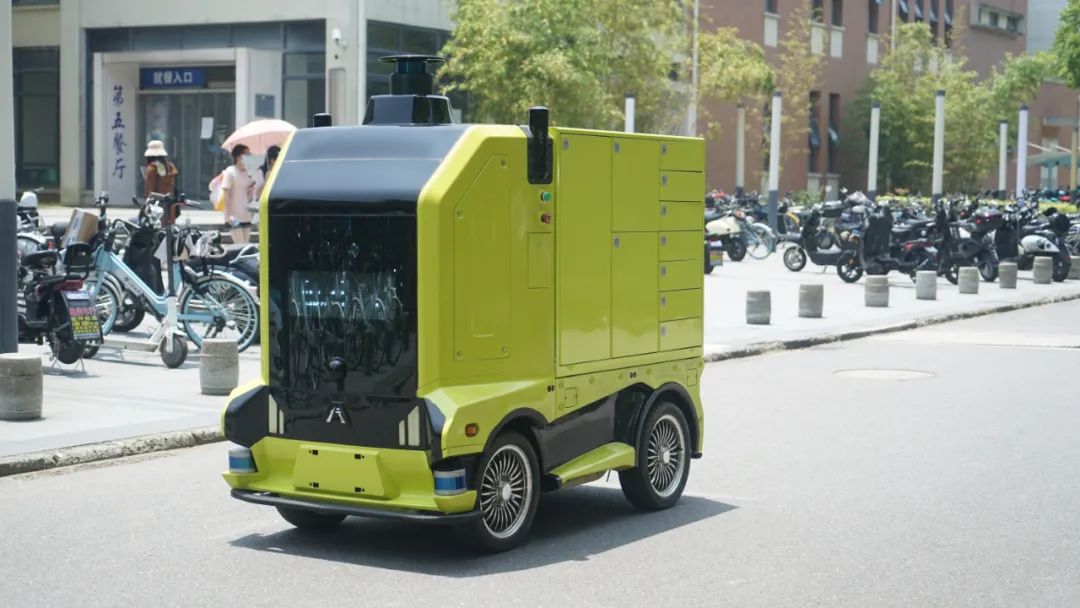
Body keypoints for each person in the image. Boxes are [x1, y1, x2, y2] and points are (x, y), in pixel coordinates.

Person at [218, 144, 255, 244]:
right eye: (247, 154)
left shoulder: (249, 173)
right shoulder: (230, 172)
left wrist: (251, 190)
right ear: (238, 157)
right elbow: (226, 195)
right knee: (240, 244)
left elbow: (249, 196)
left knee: (245, 246)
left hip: (246, 215)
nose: (249, 156)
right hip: (234, 217)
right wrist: (229, 215)